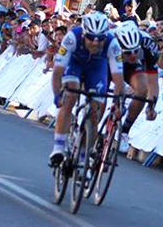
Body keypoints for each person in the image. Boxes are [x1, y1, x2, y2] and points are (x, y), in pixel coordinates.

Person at [49, 11, 124, 166]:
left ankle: (83, 154)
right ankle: (58, 147)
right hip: (75, 63)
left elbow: (118, 80)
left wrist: (118, 103)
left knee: (95, 114)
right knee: (70, 96)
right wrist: (57, 95)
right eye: (91, 38)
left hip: (97, 68)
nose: (95, 43)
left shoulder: (112, 44)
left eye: (100, 39)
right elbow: (57, 73)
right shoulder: (71, 38)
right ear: (84, 34)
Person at [113, 22, 159, 151]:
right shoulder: (109, 42)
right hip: (110, 63)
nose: (133, 55)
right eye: (128, 52)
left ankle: (124, 131)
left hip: (132, 67)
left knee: (142, 89)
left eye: (136, 50)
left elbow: (153, 82)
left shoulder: (148, 44)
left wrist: (151, 106)